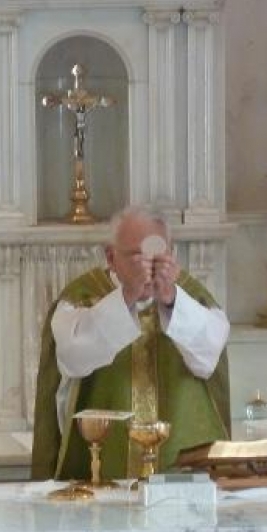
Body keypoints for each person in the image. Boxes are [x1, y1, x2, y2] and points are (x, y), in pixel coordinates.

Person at [31, 206, 231, 481]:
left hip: (180, 471)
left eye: (159, 257)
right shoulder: (82, 297)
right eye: (137, 256)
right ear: (111, 256)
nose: (149, 267)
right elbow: (73, 357)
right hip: (101, 468)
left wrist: (172, 300)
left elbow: (208, 359)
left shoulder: (192, 298)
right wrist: (126, 298)